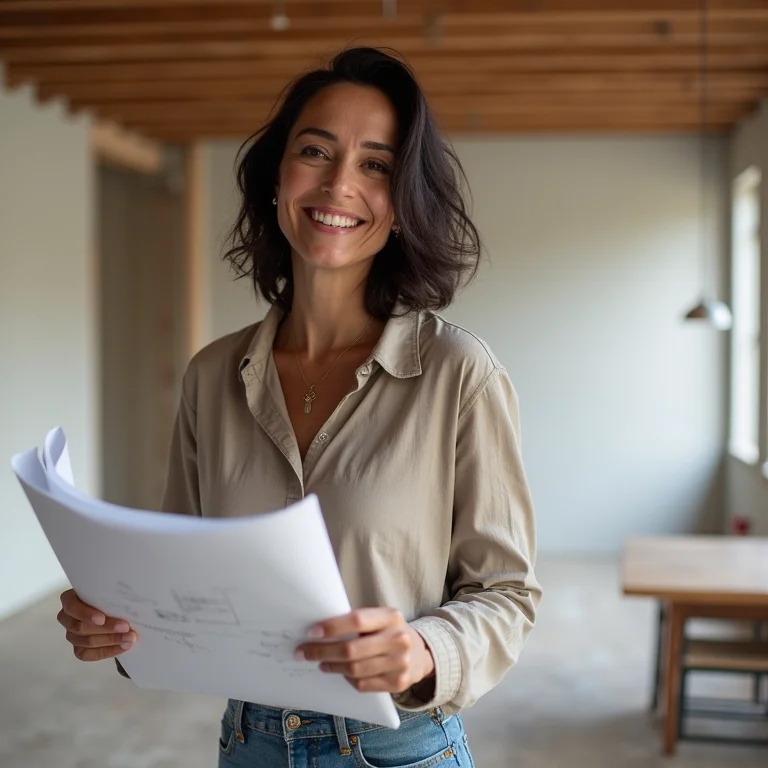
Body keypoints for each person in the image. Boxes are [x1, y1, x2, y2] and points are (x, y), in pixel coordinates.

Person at [56, 47, 542, 767]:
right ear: (277, 179)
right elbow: (179, 584)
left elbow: (506, 592)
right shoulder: (211, 376)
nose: (340, 182)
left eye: (376, 164)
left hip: (400, 749)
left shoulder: (458, 373)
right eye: (316, 151)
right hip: (248, 744)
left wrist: (422, 649)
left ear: (404, 203)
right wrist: (118, 625)